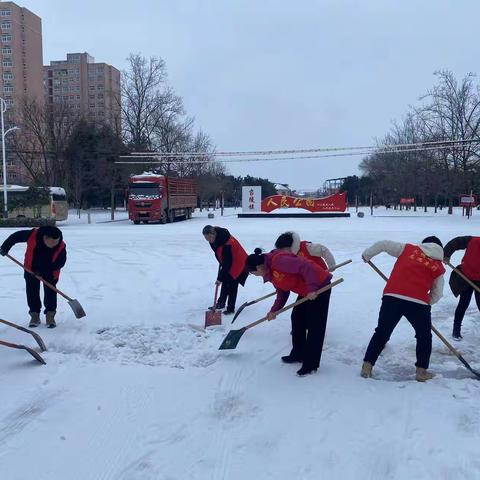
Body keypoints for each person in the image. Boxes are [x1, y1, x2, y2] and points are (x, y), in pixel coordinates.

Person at [360, 236, 445, 382]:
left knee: (382, 332)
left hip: (392, 297)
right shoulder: (439, 267)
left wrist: (367, 254)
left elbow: (384, 243)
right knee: (424, 337)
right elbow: (438, 293)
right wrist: (424, 302)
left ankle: (367, 366)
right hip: (419, 303)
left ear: (423, 244)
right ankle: (421, 371)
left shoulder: (408, 249)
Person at [245, 247, 332, 376]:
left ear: (259, 267)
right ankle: (298, 354)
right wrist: (274, 310)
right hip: (306, 290)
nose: (257, 276)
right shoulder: (270, 270)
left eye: (255, 274)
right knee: (297, 319)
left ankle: (311, 364)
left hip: (319, 286)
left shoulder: (279, 261)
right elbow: (282, 291)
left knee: (315, 326)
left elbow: (307, 266)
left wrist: (313, 288)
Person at [0, 226, 67, 328]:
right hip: (31, 268)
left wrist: (43, 271)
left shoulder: (61, 245)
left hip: (50, 270)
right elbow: (16, 236)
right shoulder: (33, 235)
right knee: (32, 291)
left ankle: (50, 315)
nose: (54, 244)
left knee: (50, 291)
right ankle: (34, 315)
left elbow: (61, 262)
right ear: (45, 238)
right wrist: (5, 247)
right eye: (52, 242)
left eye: (56, 242)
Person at [202, 225, 248, 314]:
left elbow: (227, 264)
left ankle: (230, 308)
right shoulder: (216, 238)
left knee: (232, 285)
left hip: (239, 263)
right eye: (206, 238)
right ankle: (221, 303)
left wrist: (219, 278)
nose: (209, 240)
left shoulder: (226, 244)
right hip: (229, 260)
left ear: (214, 233)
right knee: (225, 281)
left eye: (210, 237)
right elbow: (221, 256)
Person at [444, 236, 480, 340]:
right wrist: (446, 254)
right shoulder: (473, 241)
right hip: (466, 276)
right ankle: (456, 331)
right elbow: (455, 242)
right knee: (463, 303)